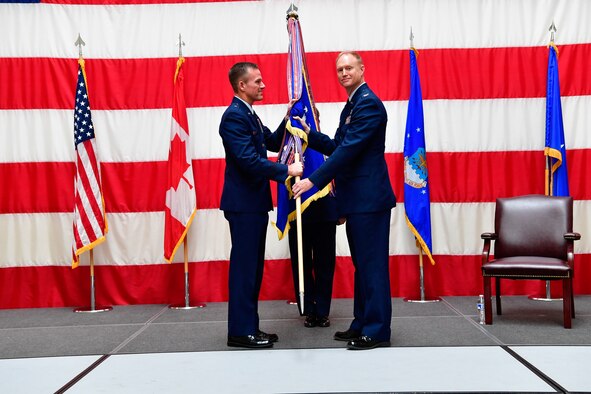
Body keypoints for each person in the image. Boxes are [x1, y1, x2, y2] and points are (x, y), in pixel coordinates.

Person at [292, 51, 396, 350]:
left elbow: (348, 150)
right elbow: (338, 145)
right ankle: (362, 322)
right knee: (362, 266)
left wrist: (313, 180)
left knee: (372, 266)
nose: (343, 73)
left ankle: (376, 330)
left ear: (362, 69)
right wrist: (310, 135)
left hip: (370, 199)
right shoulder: (352, 105)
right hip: (356, 200)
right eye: (339, 69)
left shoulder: (369, 105)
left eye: (349, 67)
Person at [219, 62, 303, 349]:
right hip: (243, 205)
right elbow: (247, 160)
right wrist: (286, 172)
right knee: (245, 268)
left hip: (252, 205)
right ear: (242, 85)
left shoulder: (249, 115)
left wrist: (289, 115)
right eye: (257, 81)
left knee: (253, 268)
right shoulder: (233, 117)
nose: (263, 85)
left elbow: (270, 141)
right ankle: (241, 332)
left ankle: (249, 327)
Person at [288, 191, 337, 328]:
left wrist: (341, 207)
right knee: (301, 263)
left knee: (325, 263)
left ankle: (322, 310)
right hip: (297, 207)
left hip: (325, 205)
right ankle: (308, 308)